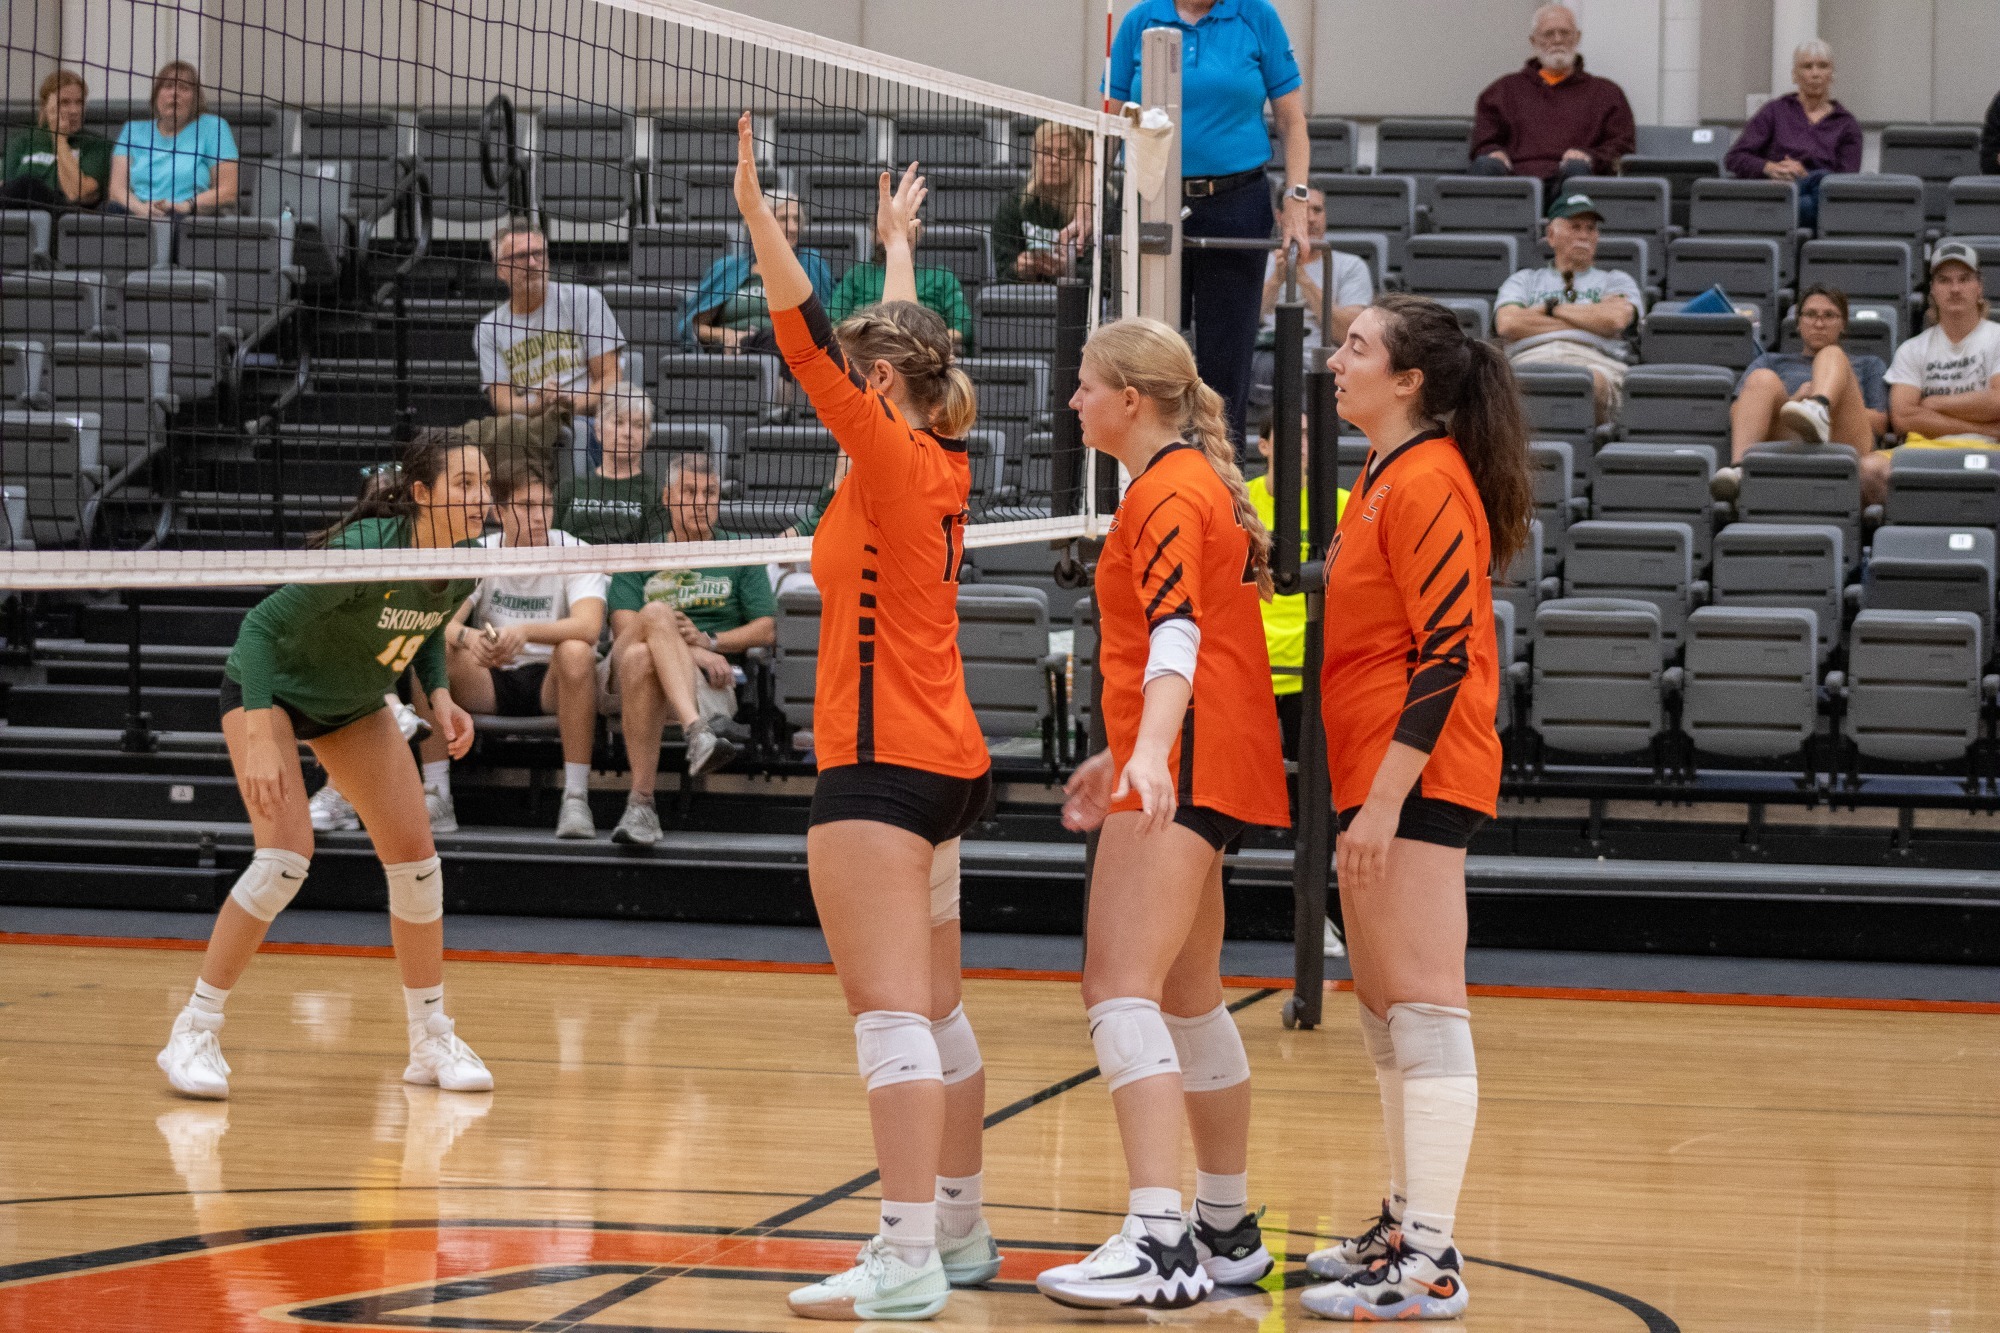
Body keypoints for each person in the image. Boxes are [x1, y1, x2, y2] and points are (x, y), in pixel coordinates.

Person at [734, 114, 1000, 1320]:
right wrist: (894, 250)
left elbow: (802, 341)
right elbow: (898, 352)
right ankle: (960, 1229)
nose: (847, 380)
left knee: (889, 1017)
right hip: (942, 761)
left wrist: (758, 215)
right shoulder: (930, 457)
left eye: (864, 370)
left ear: (878, 387)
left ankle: (901, 1256)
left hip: (878, 767)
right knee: (937, 1010)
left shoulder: (884, 451)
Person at [1037, 317, 1290, 1312]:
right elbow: (1196, 641)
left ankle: (1156, 1239)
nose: (1072, 401)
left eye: (1085, 385)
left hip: (1185, 758)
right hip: (1211, 750)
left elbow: (1178, 630)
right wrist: (1126, 744)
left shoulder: (1164, 492)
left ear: (1129, 400)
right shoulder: (1184, 483)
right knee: (1188, 990)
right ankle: (1223, 1229)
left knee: (1117, 986)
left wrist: (1147, 752)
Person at [1300, 293, 1531, 1322]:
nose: (1333, 358)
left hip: (1418, 777)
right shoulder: (1382, 473)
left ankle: (1429, 1261)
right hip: (1375, 775)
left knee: (1426, 1008)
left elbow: (1444, 652)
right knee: (1389, 1013)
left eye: (1354, 346)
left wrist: (1385, 800)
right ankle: (1403, 1225)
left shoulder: (1429, 481)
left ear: (1408, 382)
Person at [157, 431, 495, 1102]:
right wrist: (258, 735)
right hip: (270, 691)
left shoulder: (465, 562)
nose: (481, 496)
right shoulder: (363, 551)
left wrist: (442, 696)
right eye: (464, 484)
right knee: (284, 855)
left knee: (417, 859)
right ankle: (192, 1030)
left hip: (352, 702)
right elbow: (257, 626)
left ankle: (430, 1038)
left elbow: (424, 629)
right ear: (422, 494)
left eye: (486, 483)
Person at [1108, 0, 1316, 454]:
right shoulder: (1139, 20)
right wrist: (1089, 203)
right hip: (1150, 199)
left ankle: (1224, 491)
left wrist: (1296, 199)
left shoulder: (1256, 15)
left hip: (1236, 203)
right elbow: (1109, 120)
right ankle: (1144, 480)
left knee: (1227, 361)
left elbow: (1291, 120)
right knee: (1147, 356)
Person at [428, 452, 607, 840]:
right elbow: (440, 622)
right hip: (491, 679)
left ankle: (576, 799)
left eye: (546, 505)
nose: (540, 515)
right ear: (500, 510)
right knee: (430, 650)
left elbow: (590, 626)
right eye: (527, 506)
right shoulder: (479, 551)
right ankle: (436, 793)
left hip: (551, 684)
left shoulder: (574, 549)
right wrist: (470, 638)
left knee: (577, 651)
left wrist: (525, 631)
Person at [600, 453, 772, 846]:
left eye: (709, 493)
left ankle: (641, 805)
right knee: (654, 615)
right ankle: (698, 731)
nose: (700, 501)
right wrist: (695, 650)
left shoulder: (740, 550)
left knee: (646, 657)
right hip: (621, 676)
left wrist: (714, 642)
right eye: (689, 491)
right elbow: (628, 628)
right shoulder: (640, 554)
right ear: (666, 497)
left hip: (704, 680)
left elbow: (766, 629)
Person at [1857, 240, 2000, 508]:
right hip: (1924, 449)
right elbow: (1903, 418)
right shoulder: (1913, 349)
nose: (1955, 289)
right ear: (1933, 289)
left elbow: (1998, 401)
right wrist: (1983, 425)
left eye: (1964, 279)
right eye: (1945, 281)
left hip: (1991, 451)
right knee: (1868, 469)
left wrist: (1934, 404)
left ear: (1979, 287)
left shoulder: (1997, 338)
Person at [476, 220, 626, 469]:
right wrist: (540, 404)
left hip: (587, 417)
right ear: (500, 269)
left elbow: (612, 378)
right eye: (521, 256)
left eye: (539, 253)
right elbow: (502, 402)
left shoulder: (584, 300)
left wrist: (569, 403)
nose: (533, 263)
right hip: (529, 424)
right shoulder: (490, 328)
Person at [1493, 189, 1639, 424]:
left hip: (1595, 361)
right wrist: (1589, 318)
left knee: (1593, 382)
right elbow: (1508, 324)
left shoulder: (1616, 280)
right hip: (1528, 360)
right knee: (1502, 387)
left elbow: (1614, 321)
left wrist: (1550, 308)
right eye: (1575, 227)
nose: (1584, 235)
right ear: (1551, 235)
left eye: (1590, 229)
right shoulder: (1525, 279)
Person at [1470, 4, 1634, 185]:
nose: (1557, 40)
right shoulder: (1502, 91)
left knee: (1577, 172)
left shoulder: (1606, 94)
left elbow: (1622, 146)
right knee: (1485, 165)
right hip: (1515, 184)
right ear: (1533, 41)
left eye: (1565, 33)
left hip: (1572, 180)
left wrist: (1590, 157)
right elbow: (1483, 142)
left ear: (1577, 38)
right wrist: (1494, 152)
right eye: (1549, 34)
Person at [1726, 284, 1886, 463]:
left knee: (1832, 353)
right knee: (1762, 378)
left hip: (1844, 438)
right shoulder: (1770, 361)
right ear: (1798, 324)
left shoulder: (1869, 364)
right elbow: (1737, 413)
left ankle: (1819, 407)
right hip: (1787, 436)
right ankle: (1739, 469)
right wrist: (1795, 403)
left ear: (1843, 325)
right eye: (1810, 315)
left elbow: (1880, 423)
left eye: (1829, 315)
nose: (1819, 324)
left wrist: (1831, 403)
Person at [1723, 41, 1861, 231]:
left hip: (1822, 205)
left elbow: (1846, 183)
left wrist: (1804, 176)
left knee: (1819, 182)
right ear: (1794, 75)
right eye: (1807, 66)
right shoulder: (1774, 111)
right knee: (1805, 197)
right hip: (1778, 192)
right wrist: (1770, 167)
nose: (1815, 74)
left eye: (1823, 66)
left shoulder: (1846, 124)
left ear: (1832, 75)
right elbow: (1735, 158)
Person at [682, 190, 832, 350]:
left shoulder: (810, 264)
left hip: (789, 355)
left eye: (796, 220)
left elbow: (826, 324)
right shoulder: (728, 268)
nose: (793, 228)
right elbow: (696, 327)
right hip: (732, 355)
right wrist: (725, 335)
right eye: (783, 219)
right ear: (760, 222)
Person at [107, 61, 238, 216]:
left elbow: (228, 191)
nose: (175, 93)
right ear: (156, 95)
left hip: (188, 214)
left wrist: (185, 205)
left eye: (184, 88)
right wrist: (141, 209)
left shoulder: (213, 127)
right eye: (168, 86)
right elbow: (116, 190)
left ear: (196, 98)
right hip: (137, 212)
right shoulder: (132, 130)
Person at [552, 389, 674, 545]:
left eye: (638, 425)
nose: (628, 433)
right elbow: (549, 541)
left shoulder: (656, 495)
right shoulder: (569, 488)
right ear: (598, 430)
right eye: (618, 422)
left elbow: (653, 553)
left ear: (647, 435)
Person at [828, 219, 972, 349]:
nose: (899, 229)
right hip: (863, 355)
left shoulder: (941, 276)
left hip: (923, 354)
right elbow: (831, 324)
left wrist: (923, 344)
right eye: (891, 221)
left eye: (908, 220)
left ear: (919, 230)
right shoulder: (857, 275)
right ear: (874, 233)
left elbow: (963, 328)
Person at [1261, 188, 1372, 349]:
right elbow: (1240, 326)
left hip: (1323, 358)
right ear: (1280, 217)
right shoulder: (1261, 263)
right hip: (1265, 351)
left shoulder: (1351, 266)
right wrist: (1275, 281)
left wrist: (1303, 279)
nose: (1312, 218)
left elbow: (1348, 334)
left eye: (1317, 210)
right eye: (1303, 211)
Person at [993, 121, 1093, 283]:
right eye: (1045, 152)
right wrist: (1019, 269)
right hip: (1025, 302)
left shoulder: (1094, 208)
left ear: (1080, 159)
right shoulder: (1016, 204)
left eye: (1063, 153)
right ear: (1035, 156)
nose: (1053, 161)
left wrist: (1066, 270)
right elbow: (1002, 274)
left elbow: (1106, 279)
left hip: (1077, 301)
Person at [1, 70, 112, 210]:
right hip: (19, 213)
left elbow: (77, 194)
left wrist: (59, 138)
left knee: (28, 185)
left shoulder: (97, 144)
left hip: (67, 216)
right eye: (64, 102)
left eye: (79, 102)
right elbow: (5, 187)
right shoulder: (22, 140)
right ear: (45, 106)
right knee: (23, 185)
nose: (74, 110)